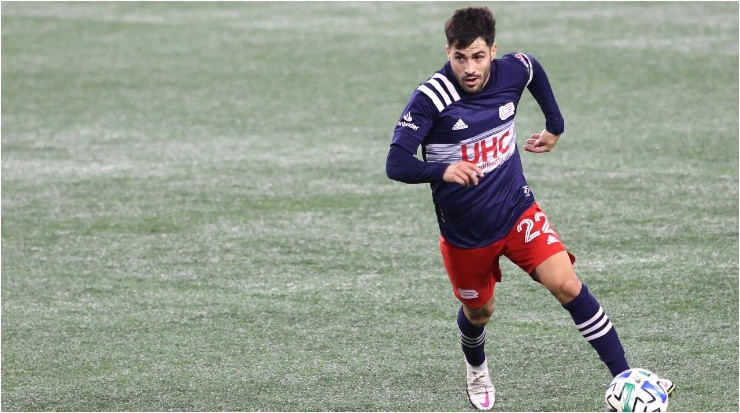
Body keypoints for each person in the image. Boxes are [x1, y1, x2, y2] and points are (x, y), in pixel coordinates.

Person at [385, 6, 674, 410]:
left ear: (492, 51)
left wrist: (555, 125)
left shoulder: (511, 70)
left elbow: (532, 67)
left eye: (478, 56)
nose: (469, 68)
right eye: (459, 57)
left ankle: (626, 377)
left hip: (517, 209)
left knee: (568, 284)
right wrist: (443, 170)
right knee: (479, 311)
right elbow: (395, 163)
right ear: (448, 51)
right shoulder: (431, 97)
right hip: (467, 234)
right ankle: (477, 367)